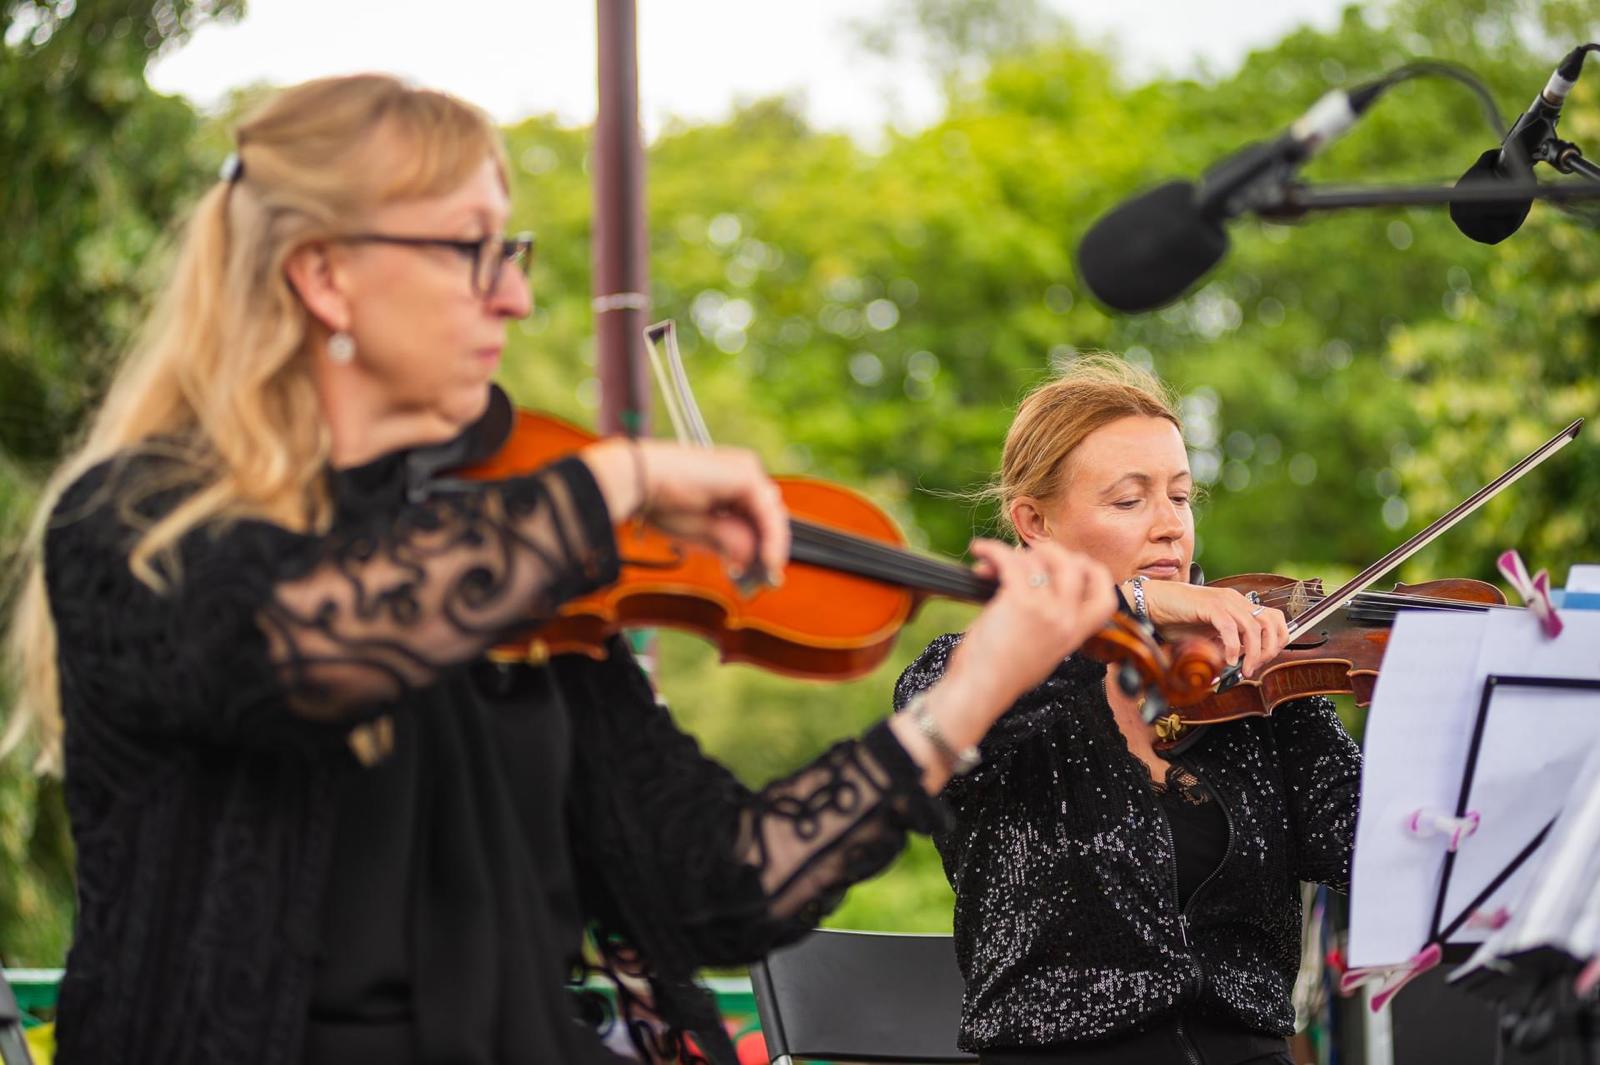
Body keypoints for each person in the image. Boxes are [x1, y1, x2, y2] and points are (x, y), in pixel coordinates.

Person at [0, 75, 1121, 1065]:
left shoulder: (529, 587)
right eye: (470, 249)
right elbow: (307, 650)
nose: (515, 296)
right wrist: (618, 481)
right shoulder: (137, 527)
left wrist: (975, 690)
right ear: (325, 279)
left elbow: (718, 885)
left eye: (514, 252)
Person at [896, 356, 1362, 1065]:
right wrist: (1133, 601)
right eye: (1128, 501)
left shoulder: (1254, 675)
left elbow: (1365, 844)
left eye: (1181, 496)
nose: (1171, 526)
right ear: (1034, 522)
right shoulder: (967, 671)